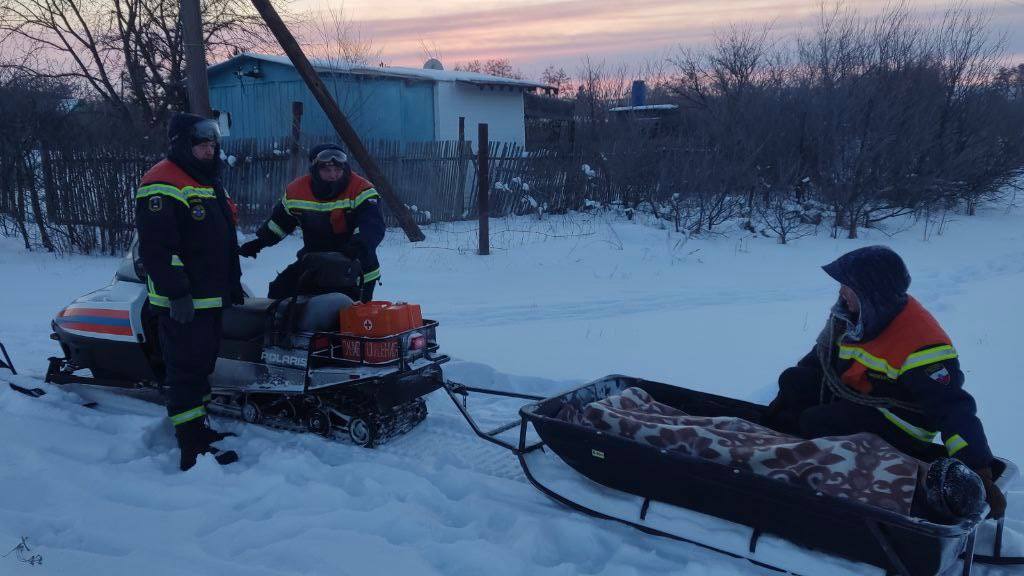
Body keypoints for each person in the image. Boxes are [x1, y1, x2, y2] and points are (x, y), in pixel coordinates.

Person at [764, 245, 1006, 518]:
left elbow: (952, 409)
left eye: (848, 286)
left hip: (902, 427)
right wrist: (788, 395)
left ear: (871, 293)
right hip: (859, 401)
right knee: (795, 381)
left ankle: (828, 473)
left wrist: (976, 468)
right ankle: (786, 443)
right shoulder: (851, 316)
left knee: (818, 421)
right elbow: (819, 359)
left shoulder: (921, 342)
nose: (841, 292)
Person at [135, 112, 242, 471]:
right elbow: (157, 249)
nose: (210, 149)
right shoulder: (161, 181)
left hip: (210, 297)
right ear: (183, 143)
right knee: (184, 372)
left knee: (202, 367)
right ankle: (190, 447)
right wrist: (177, 293)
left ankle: (199, 427)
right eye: (202, 143)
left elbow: (219, 237)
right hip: (184, 302)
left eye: (213, 143)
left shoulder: (206, 179)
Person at [238, 143, 385, 303]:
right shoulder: (297, 191)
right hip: (315, 262)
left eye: (337, 170)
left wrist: (358, 247)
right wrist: (259, 242)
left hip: (355, 264)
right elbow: (279, 223)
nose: (333, 175)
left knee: (346, 316)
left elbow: (372, 225)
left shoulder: (361, 189)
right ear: (315, 170)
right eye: (327, 170)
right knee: (279, 291)